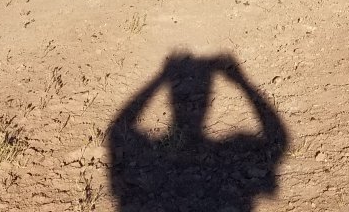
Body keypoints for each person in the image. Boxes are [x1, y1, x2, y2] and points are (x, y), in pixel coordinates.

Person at [107, 51, 289, 212]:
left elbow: (118, 131)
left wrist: (160, 78)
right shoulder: (224, 153)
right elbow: (278, 140)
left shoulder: (155, 156)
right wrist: (242, 81)